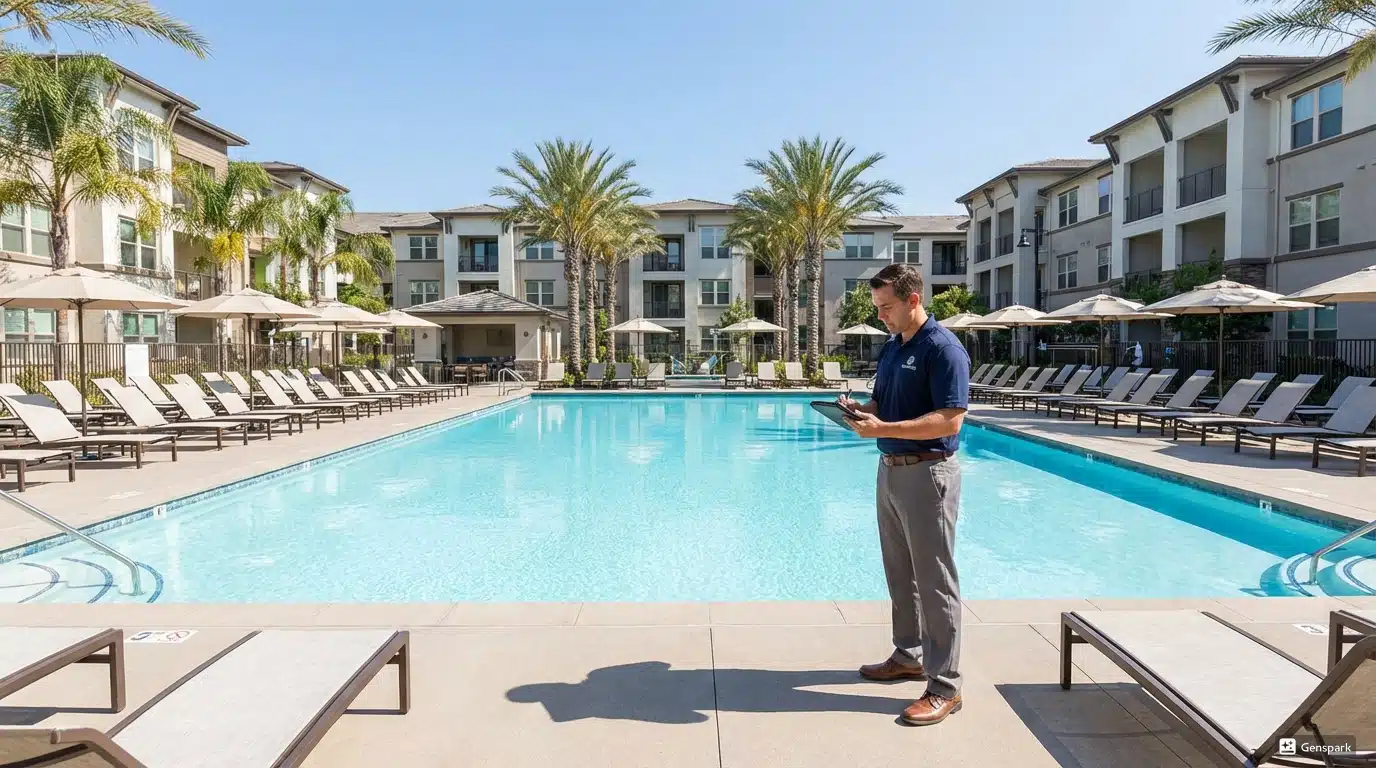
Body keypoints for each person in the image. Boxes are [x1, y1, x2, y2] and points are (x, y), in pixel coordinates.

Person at [839, 262, 969, 727]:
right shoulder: (893, 347)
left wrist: (885, 427)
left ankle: (945, 685)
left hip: (928, 473)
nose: (881, 317)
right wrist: (861, 412)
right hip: (890, 471)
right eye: (877, 308)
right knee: (900, 573)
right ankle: (910, 655)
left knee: (935, 580)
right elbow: (885, 404)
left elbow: (951, 419)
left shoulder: (943, 349)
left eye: (887, 307)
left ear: (914, 300)